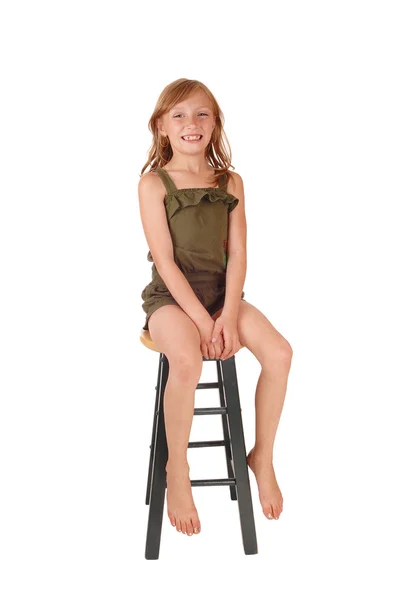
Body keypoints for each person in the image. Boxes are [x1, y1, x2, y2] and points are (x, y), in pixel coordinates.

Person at [138, 78, 293, 537]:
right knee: (186, 361)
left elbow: (239, 255)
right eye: (180, 115)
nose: (192, 123)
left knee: (280, 354)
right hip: (172, 299)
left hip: (222, 295)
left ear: (215, 124)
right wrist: (203, 322)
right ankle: (177, 471)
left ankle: (261, 455)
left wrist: (226, 315)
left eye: (203, 114)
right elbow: (165, 262)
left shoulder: (230, 181)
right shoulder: (153, 184)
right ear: (163, 126)